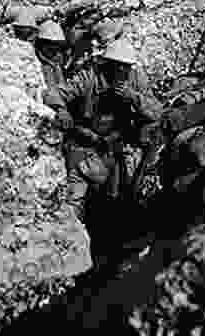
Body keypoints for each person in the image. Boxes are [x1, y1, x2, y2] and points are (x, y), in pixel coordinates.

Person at [44, 38, 163, 268]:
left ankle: (118, 248)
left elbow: (158, 113)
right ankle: (69, 251)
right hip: (85, 145)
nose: (122, 72)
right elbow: (53, 94)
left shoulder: (136, 80)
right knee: (75, 196)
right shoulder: (88, 77)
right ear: (107, 64)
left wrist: (134, 98)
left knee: (125, 196)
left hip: (118, 147)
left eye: (126, 67)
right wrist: (61, 110)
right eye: (117, 66)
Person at [35, 19, 69, 90]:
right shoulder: (36, 65)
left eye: (57, 48)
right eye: (51, 48)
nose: (56, 53)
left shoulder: (56, 64)